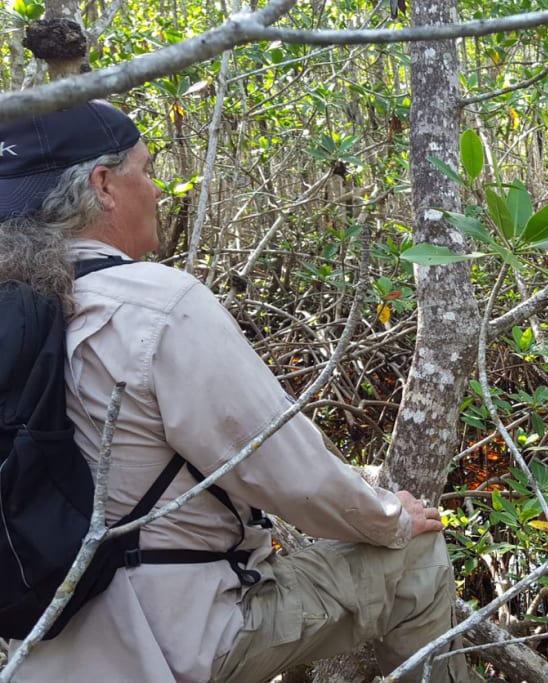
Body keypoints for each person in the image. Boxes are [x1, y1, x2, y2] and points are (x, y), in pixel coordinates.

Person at [0, 100, 472, 683]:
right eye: (145, 171)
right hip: (171, 643)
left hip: (39, 645)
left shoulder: (15, 302)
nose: (157, 189)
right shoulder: (155, 304)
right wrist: (392, 516)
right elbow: (288, 473)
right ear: (103, 185)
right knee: (417, 557)